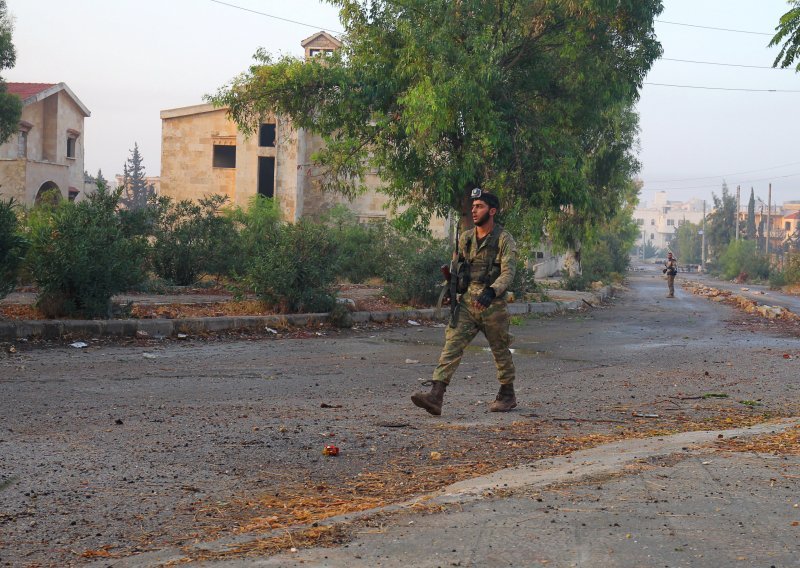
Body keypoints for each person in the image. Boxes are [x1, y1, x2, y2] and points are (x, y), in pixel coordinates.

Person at [412, 188, 518, 416]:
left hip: (493, 305)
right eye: (473, 206)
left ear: (492, 210)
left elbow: (508, 273)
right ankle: (436, 395)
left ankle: (507, 394)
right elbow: (459, 268)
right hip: (469, 303)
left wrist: (492, 291)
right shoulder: (466, 237)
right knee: (452, 345)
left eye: (479, 206)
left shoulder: (503, 238)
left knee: (500, 350)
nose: (474, 210)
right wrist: (454, 288)